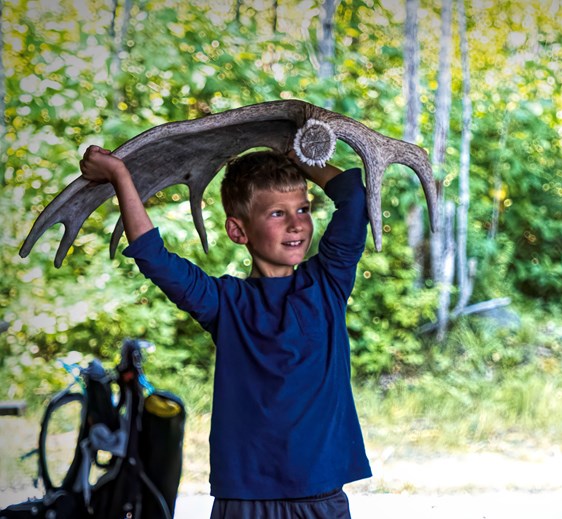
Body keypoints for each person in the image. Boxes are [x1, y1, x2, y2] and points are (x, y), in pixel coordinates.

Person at [79, 143, 372, 518]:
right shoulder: (223, 302)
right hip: (244, 500)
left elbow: (353, 197)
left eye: (303, 209)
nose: (297, 223)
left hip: (321, 496)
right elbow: (153, 256)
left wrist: (296, 155)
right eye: (277, 214)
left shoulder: (328, 283)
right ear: (238, 230)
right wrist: (120, 175)